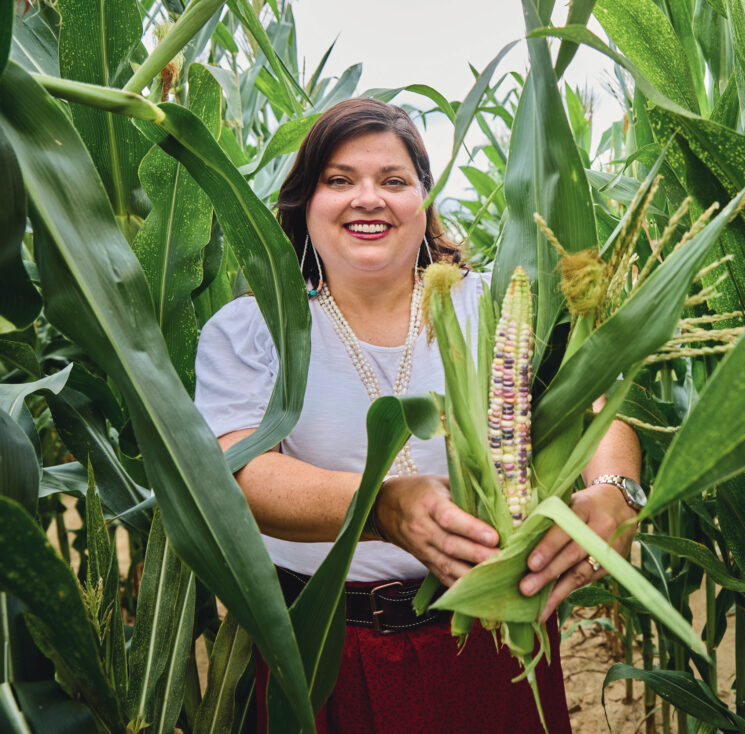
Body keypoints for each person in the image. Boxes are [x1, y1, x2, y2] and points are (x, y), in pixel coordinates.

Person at [194, 98, 642, 733]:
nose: (368, 198)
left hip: (489, 633)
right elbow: (233, 474)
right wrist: (380, 505)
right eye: (339, 180)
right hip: (328, 647)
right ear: (304, 203)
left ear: (423, 204)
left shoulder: (491, 306)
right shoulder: (253, 329)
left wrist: (615, 490)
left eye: (394, 181)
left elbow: (597, 406)